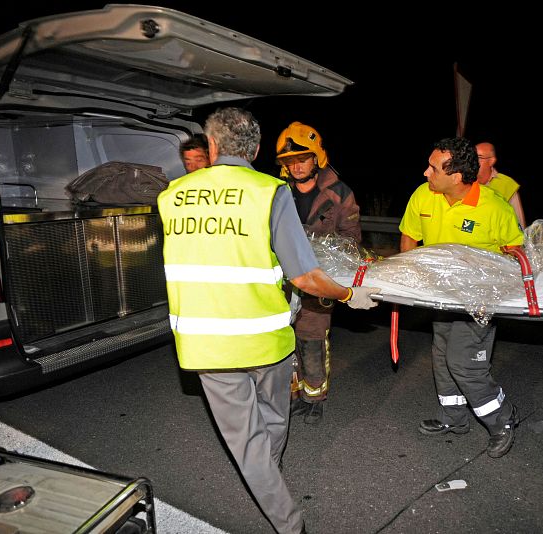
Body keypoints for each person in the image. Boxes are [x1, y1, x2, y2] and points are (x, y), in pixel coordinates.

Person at [157, 107, 380, 534]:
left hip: (205, 341)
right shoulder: (268, 193)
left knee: (247, 440)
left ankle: (264, 475)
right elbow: (305, 275)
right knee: (274, 421)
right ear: (258, 150)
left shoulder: (172, 195)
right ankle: (288, 520)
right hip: (266, 338)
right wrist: (350, 294)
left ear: (213, 147)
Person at [399, 137, 523, 458]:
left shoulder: (495, 207)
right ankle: (454, 418)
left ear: (456, 177)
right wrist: (408, 279)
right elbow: (410, 237)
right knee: (441, 357)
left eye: (433, 168)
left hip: (478, 301)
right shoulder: (423, 195)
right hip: (441, 297)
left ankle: (502, 419)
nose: (426, 173)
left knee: (463, 363)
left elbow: (516, 253)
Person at [275, 121, 362, 424]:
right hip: (281, 282)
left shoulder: (339, 193)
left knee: (312, 339)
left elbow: (352, 239)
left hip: (319, 280)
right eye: (289, 161)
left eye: (302, 158)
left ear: (317, 158)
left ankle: (315, 397)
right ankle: (294, 392)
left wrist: (326, 255)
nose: (296, 165)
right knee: (284, 340)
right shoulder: (275, 192)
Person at [475, 142, 526, 228]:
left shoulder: (506, 184)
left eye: (479, 157)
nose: (473, 161)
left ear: (491, 161)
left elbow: (519, 224)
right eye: (471, 157)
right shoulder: (462, 181)